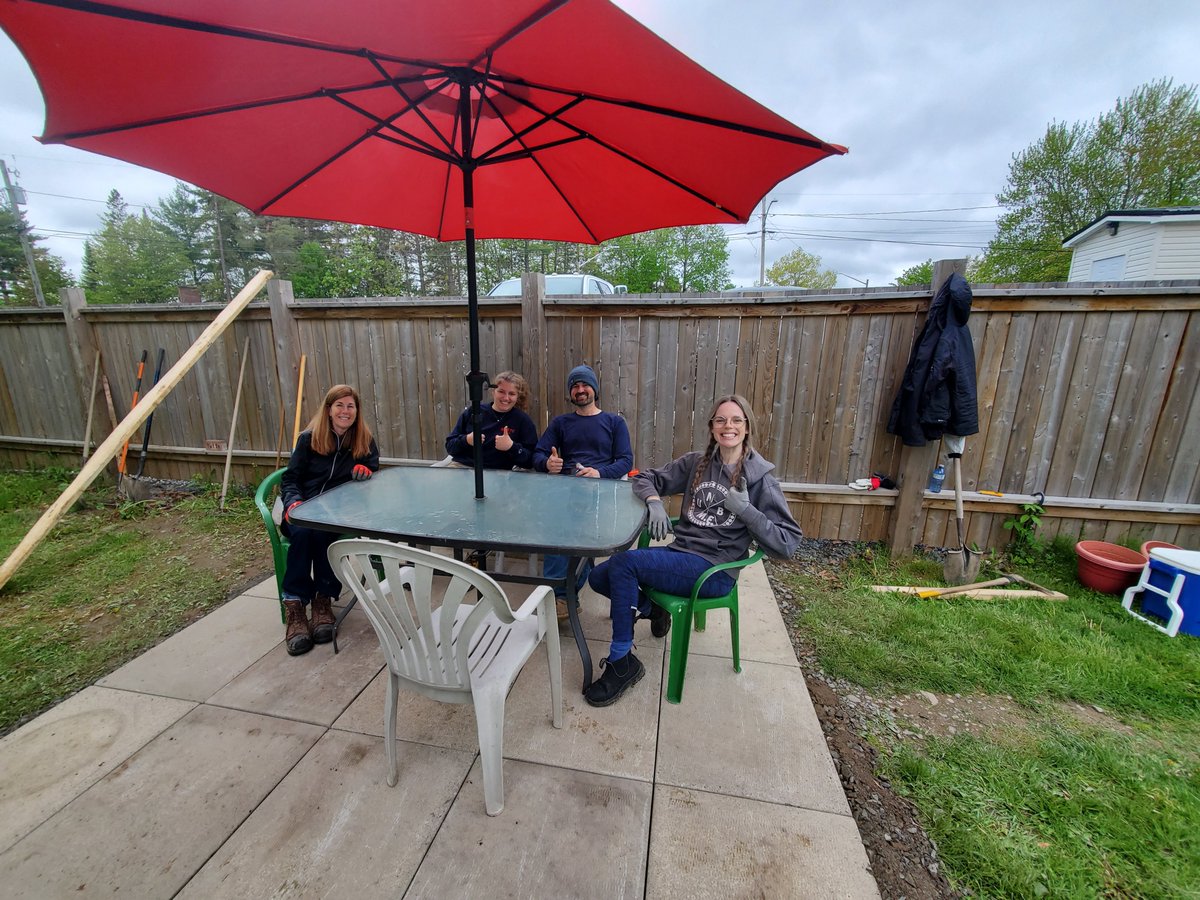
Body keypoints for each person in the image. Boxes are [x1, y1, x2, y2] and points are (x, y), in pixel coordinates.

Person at [584, 394, 801, 706]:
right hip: (680, 556)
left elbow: (787, 544)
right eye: (721, 420)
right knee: (598, 577)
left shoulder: (759, 478)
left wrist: (747, 511)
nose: (729, 426)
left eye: (736, 420)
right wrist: (654, 502)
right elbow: (644, 478)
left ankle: (622, 663)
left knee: (625, 564)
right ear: (712, 427)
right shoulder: (696, 464)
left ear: (747, 427)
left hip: (714, 571)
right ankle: (652, 609)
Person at [279, 384, 380, 656]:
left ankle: (323, 601)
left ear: (357, 412)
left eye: (351, 406)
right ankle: (296, 606)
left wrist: (366, 469)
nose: (345, 411)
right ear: (329, 409)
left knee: (323, 534)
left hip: (337, 511)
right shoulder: (309, 438)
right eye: (340, 405)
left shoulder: (363, 439)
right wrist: (293, 504)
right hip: (304, 507)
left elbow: (373, 465)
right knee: (303, 534)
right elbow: (290, 479)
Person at [533, 364, 633, 621]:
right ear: (570, 392)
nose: (580, 390)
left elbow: (625, 461)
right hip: (565, 489)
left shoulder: (614, 422)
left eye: (585, 384)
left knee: (573, 530)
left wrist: (599, 473)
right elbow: (538, 454)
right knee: (556, 529)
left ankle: (562, 596)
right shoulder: (561, 423)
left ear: (595, 390)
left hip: (600, 491)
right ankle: (563, 596)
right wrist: (547, 463)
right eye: (575, 386)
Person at [443, 371, 538, 469]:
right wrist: (466, 440)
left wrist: (511, 447)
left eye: (512, 394)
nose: (506, 398)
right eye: (501, 391)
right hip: (463, 468)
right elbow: (450, 447)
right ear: (493, 392)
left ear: (518, 397)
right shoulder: (474, 412)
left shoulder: (523, 421)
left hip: (501, 475)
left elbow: (530, 461)